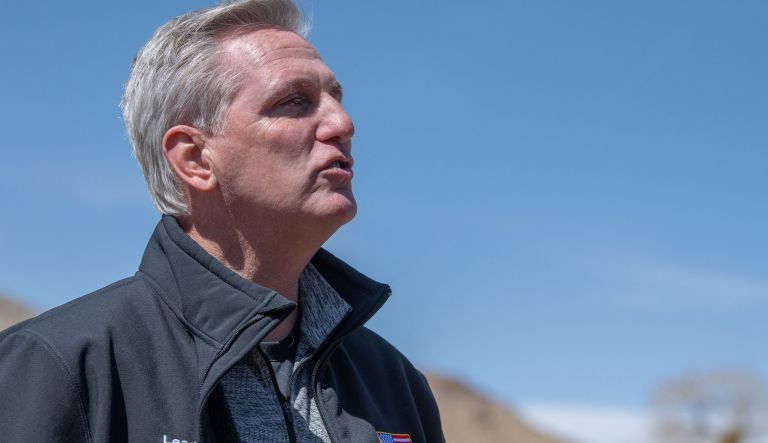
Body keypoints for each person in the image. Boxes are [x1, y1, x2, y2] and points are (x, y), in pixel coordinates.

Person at [0, 1, 444, 442]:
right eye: (294, 101)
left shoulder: (395, 384)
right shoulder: (55, 368)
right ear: (195, 158)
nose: (342, 123)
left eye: (336, 98)